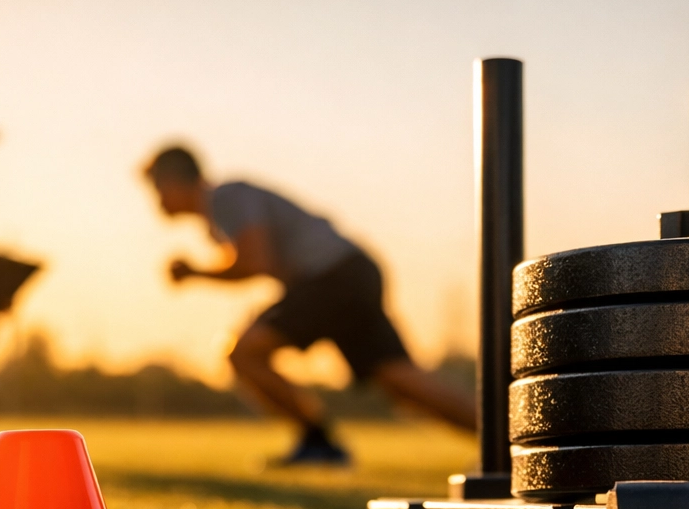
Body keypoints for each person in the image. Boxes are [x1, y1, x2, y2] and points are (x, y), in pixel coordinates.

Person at [145, 145, 475, 465]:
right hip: (348, 272)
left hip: (332, 276)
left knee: (244, 352)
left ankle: (318, 441)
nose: (158, 200)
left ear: (174, 180)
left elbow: (256, 260)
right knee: (400, 380)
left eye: (158, 188)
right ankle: (502, 444)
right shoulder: (219, 214)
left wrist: (194, 272)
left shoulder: (225, 197)